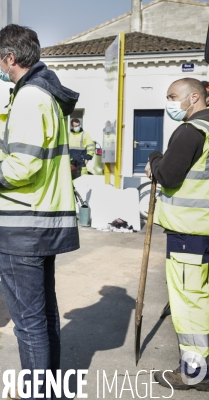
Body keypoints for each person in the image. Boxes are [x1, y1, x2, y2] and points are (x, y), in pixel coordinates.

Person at [0, 25, 79, 399]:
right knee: (44, 315)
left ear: (11, 58)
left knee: (29, 322)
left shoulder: (31, 97)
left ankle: (37, 392)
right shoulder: (42, 94)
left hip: (22, 227)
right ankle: (47, 389)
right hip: (39, 221)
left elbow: (23, 166)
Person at [146, 77, 209, 392]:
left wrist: (154, 159)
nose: (169, 102)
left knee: (190, 306)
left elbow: (169, 175)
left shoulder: (190, 132)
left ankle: (196, 373)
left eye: (173, 96)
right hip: (204, 230)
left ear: (194, 97)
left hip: (189, 234)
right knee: (204, 300)